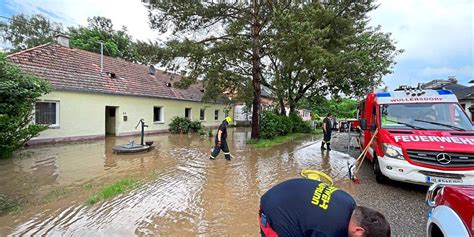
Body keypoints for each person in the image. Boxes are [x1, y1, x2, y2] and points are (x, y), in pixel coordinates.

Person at [259, 178, 391, 237]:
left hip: (286, 193)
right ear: (358, 230)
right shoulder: (330, 231)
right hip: (273, 211)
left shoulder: (349, 201)